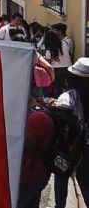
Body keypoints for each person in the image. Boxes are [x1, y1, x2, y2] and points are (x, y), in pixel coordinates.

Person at [53, 58, 89, 208]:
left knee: (61, 178)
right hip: (86, 150)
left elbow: (60, 125)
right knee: (86, 183)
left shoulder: (67, 98)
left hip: (67, 149)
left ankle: (59, 206)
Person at [18, 97, 54, 208]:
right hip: (32, 177)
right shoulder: (34, 112)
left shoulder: (38, 119)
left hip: (28, 178)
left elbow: (19, 147)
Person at [44, 31, 72, 97]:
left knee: (57, 88)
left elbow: (48, 62)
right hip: (68, 67)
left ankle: (58, 103)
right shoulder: (65, 43)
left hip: (56, 69)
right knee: (66, 87)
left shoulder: (50, 49)